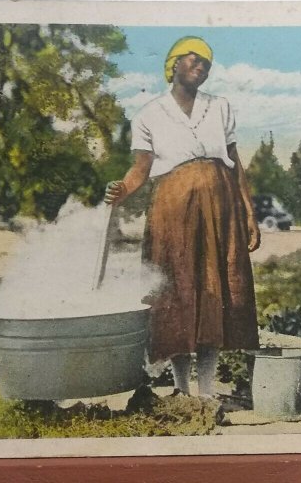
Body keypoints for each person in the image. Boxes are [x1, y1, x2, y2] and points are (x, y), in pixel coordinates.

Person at [105, 36, 261, 397]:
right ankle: (181, 390)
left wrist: (249, 214)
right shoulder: (149, 113)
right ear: (173, 64)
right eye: (194, 61)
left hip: (220, 208)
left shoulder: (220, 107)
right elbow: (140, 170)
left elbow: (235, 164)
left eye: (206, 64)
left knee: (213, 292)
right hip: (172, 211)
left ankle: (205, 389)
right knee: (177, 292)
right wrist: (122, 190)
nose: (201, 68)